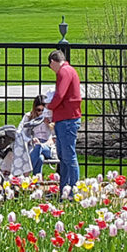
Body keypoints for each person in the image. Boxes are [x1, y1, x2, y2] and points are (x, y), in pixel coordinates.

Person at [45, 49, 82, 193]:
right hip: (66, 118)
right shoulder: (69, 70)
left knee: (68, 156)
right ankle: (65, 190)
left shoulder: (64, 71)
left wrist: (50, 106)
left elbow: (60, 94)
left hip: (67, 119)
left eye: (50, 66)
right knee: (64, 157)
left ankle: (73, 189)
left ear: (53, 62)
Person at [13, 95, 54, 179]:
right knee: (40, 158)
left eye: (43, 110)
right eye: (38, 110)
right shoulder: (29, 117)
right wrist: (30, 140)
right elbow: (20, 131)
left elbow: (55, 136)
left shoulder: (50, 117)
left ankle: (25, 175)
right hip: (34, 145)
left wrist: (49, 125)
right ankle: (36, 182)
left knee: (40, 146)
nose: (41, 113)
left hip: (48, 146)